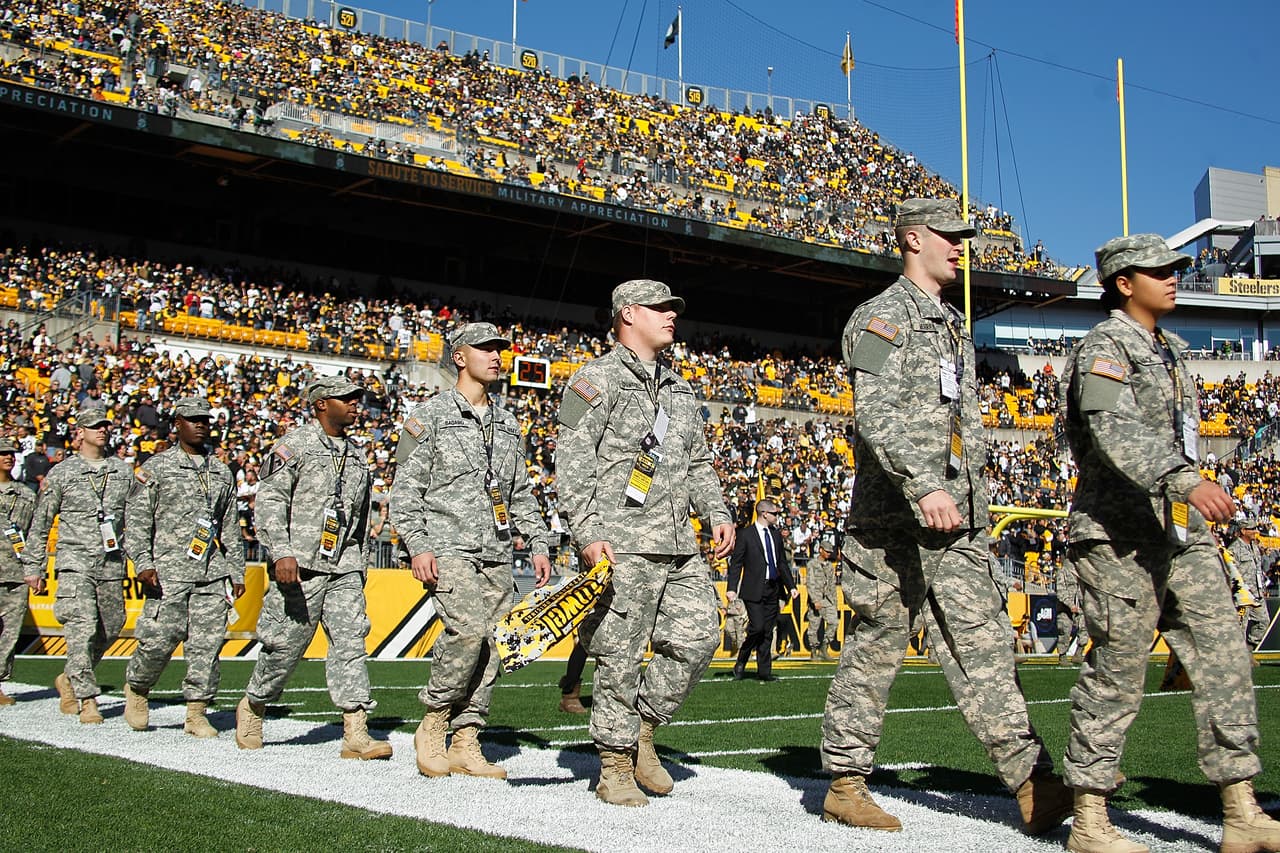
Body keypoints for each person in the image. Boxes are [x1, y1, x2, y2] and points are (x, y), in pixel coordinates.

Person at [822, 198, 1070, 834]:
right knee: (878, 645)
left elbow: (959, 422)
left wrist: (967, 498)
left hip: (955, 520)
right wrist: (926, 484)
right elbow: (875, 413)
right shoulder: (882, 316)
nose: (961, 246)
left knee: (985, 644)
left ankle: (1034, 782)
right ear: (912, 239)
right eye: (949, 235)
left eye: (964, 236)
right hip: (894, 522)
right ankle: (845, 782)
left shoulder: (952, 324)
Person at [1059, 233, 1280, 853]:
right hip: (1120, 536)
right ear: (1124, 283)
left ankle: (1241, 809)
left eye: (1173, 268)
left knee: (1225, 658)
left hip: (1180, 534)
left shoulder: (1174, 350)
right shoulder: (1105, 347)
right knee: (1118, 671)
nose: (1173, 277)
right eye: (1158, 271)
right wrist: (1184, 480)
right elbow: (1113, 429)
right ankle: (1090, 818)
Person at [556, 279, 736, 807]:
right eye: (660, 308)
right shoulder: (595, 379)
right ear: (628, 314)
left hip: (679, 543)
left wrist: (716, 512)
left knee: (700, 637)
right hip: (622, 543)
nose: (671, 315)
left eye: (673, 308)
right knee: (620, 654)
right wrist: (588, 531)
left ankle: (642, 729)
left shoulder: (679, 388)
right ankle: (614, 764)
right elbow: (572, 460)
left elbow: (698, 462)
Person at [390, 322, 552, 780]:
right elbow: (406, 490)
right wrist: (418, 545)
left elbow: (519, 492)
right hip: (448, 545)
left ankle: (466, 738)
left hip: (496, 550)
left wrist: (538, 541)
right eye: (486, 349)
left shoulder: (507, 423)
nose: (497, 356)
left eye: (500, 349)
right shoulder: (430, 416)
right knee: (466, 632)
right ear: (460, 357)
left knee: (495, 642)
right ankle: (434, 721)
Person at [234, 376, 391, 761]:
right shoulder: (294, 446)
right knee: (285, 647)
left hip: (344, 566)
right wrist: (280, 552)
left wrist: (360, 565)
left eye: (356, 399)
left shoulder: (356, 455)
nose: (355, 405)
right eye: (345, 398)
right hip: (300, 564)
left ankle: (356, 729)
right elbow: (270, 500)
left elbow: (358, 517)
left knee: (351, 642)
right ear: (321, 404)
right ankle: (254, 704)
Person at [121, 397, 245, 737]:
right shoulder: (157, 468)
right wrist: (143, 562)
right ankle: (138, 688)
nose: (201, 424)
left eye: (205, 419)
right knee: (157, 641)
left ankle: (196, 711)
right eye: (193, 419)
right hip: (168, 572)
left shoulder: (220, 470)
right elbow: (137, 519)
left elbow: (229, 526)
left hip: (211, 573)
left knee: (207, 646)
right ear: (177, 424)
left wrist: (236, 570)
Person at [24, 403, 132, 725]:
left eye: (105, 425)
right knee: (81, 627)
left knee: (112, 625)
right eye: (95, 426)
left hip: (110, 563)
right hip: (74, 561)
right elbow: (41, 522)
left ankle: (70, 677)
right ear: (80, 432)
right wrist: (34, 566)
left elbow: (137, 519)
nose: (103, 430)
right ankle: (87, 699)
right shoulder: (63, 472)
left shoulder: (122, 472)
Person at [727, 499, 797, 681]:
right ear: (764, 513)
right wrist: (732, 587)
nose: (777, 517)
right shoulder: (746, 534)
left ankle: (764, 672)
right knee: (757, 627)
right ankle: (742, 658)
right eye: (774, 513)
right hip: (753, 588)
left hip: (773, 588)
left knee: (767, 631)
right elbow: (736, 563)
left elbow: (781, 563)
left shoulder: (775, 535)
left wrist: (791, 586)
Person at [0, 441, 37, 706]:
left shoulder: (25, 494)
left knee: (9, 632)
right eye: (2, 453)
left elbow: (35, 534)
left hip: (15, 571)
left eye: (11, 454)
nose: (8, 457)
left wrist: (34, 568)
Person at [1228, 517, 1268, 655]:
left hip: (1257, 594)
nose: (1256, 531)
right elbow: (1231, 573)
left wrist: (1262, 588)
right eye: (1252, 529)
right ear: (1243, 531)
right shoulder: (1233, 549)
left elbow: (1258, 570)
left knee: (1263, 622)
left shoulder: (1254, 548)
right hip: (1243, 596)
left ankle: (1248, 650)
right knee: (1241, 628)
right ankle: (1239, 657)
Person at [805, 535, 841, 660]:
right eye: (827, 551)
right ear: (820, 550)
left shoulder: (830, 566)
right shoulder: (812, 564)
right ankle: (813, 650)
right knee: (814, 626)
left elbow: (832, 584)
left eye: (830, 552)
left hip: (828, 599)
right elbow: (810, 583)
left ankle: (824, 647)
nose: (829, 554)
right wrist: (815, 600)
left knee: (834, 622)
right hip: (816, 599)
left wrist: (834, 602)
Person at [1055, 560, 1088, 665]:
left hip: (1080, 606)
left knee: (1084, 628)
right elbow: (1060, 591)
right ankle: (1062, 656)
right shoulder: (1063, 571)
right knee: (1064, 631)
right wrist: (1070, 604)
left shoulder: (1083, 571)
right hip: (1065, 608)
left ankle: (1078, 653)